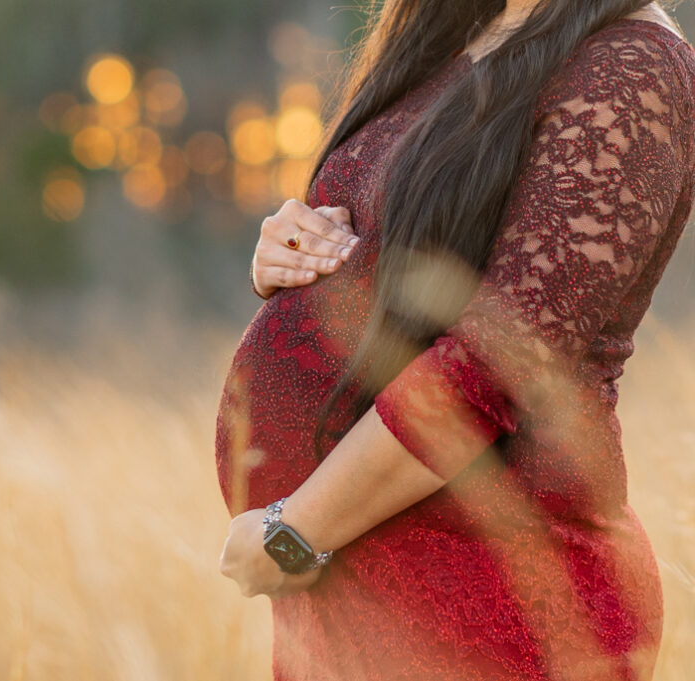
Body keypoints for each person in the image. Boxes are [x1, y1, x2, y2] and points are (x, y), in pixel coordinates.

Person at [213, 0, 695, 679]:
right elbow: (398, 255)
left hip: (489, 598)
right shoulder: (459, 29)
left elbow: (503, 361)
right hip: (352, 586)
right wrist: (289, 257)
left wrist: (294, 533)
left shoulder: (629, 67)